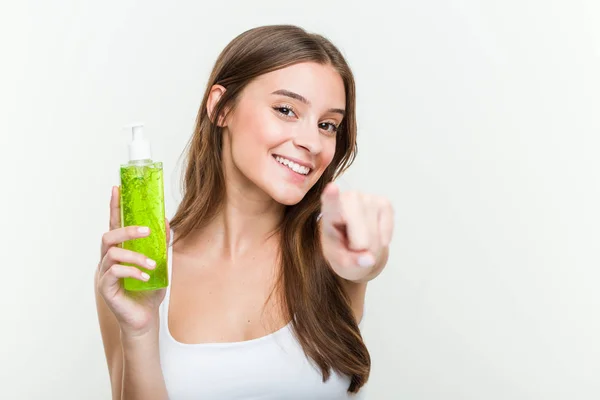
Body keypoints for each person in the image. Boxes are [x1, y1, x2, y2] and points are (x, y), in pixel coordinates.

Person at [95, 24, 395, 400]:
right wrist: (139, 331)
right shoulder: (141, 267)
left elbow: (364, 260)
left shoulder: (329, 245)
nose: (312, 142)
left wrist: (368, 255)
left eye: (327, 125)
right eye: (286, 110)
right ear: (221, 107)